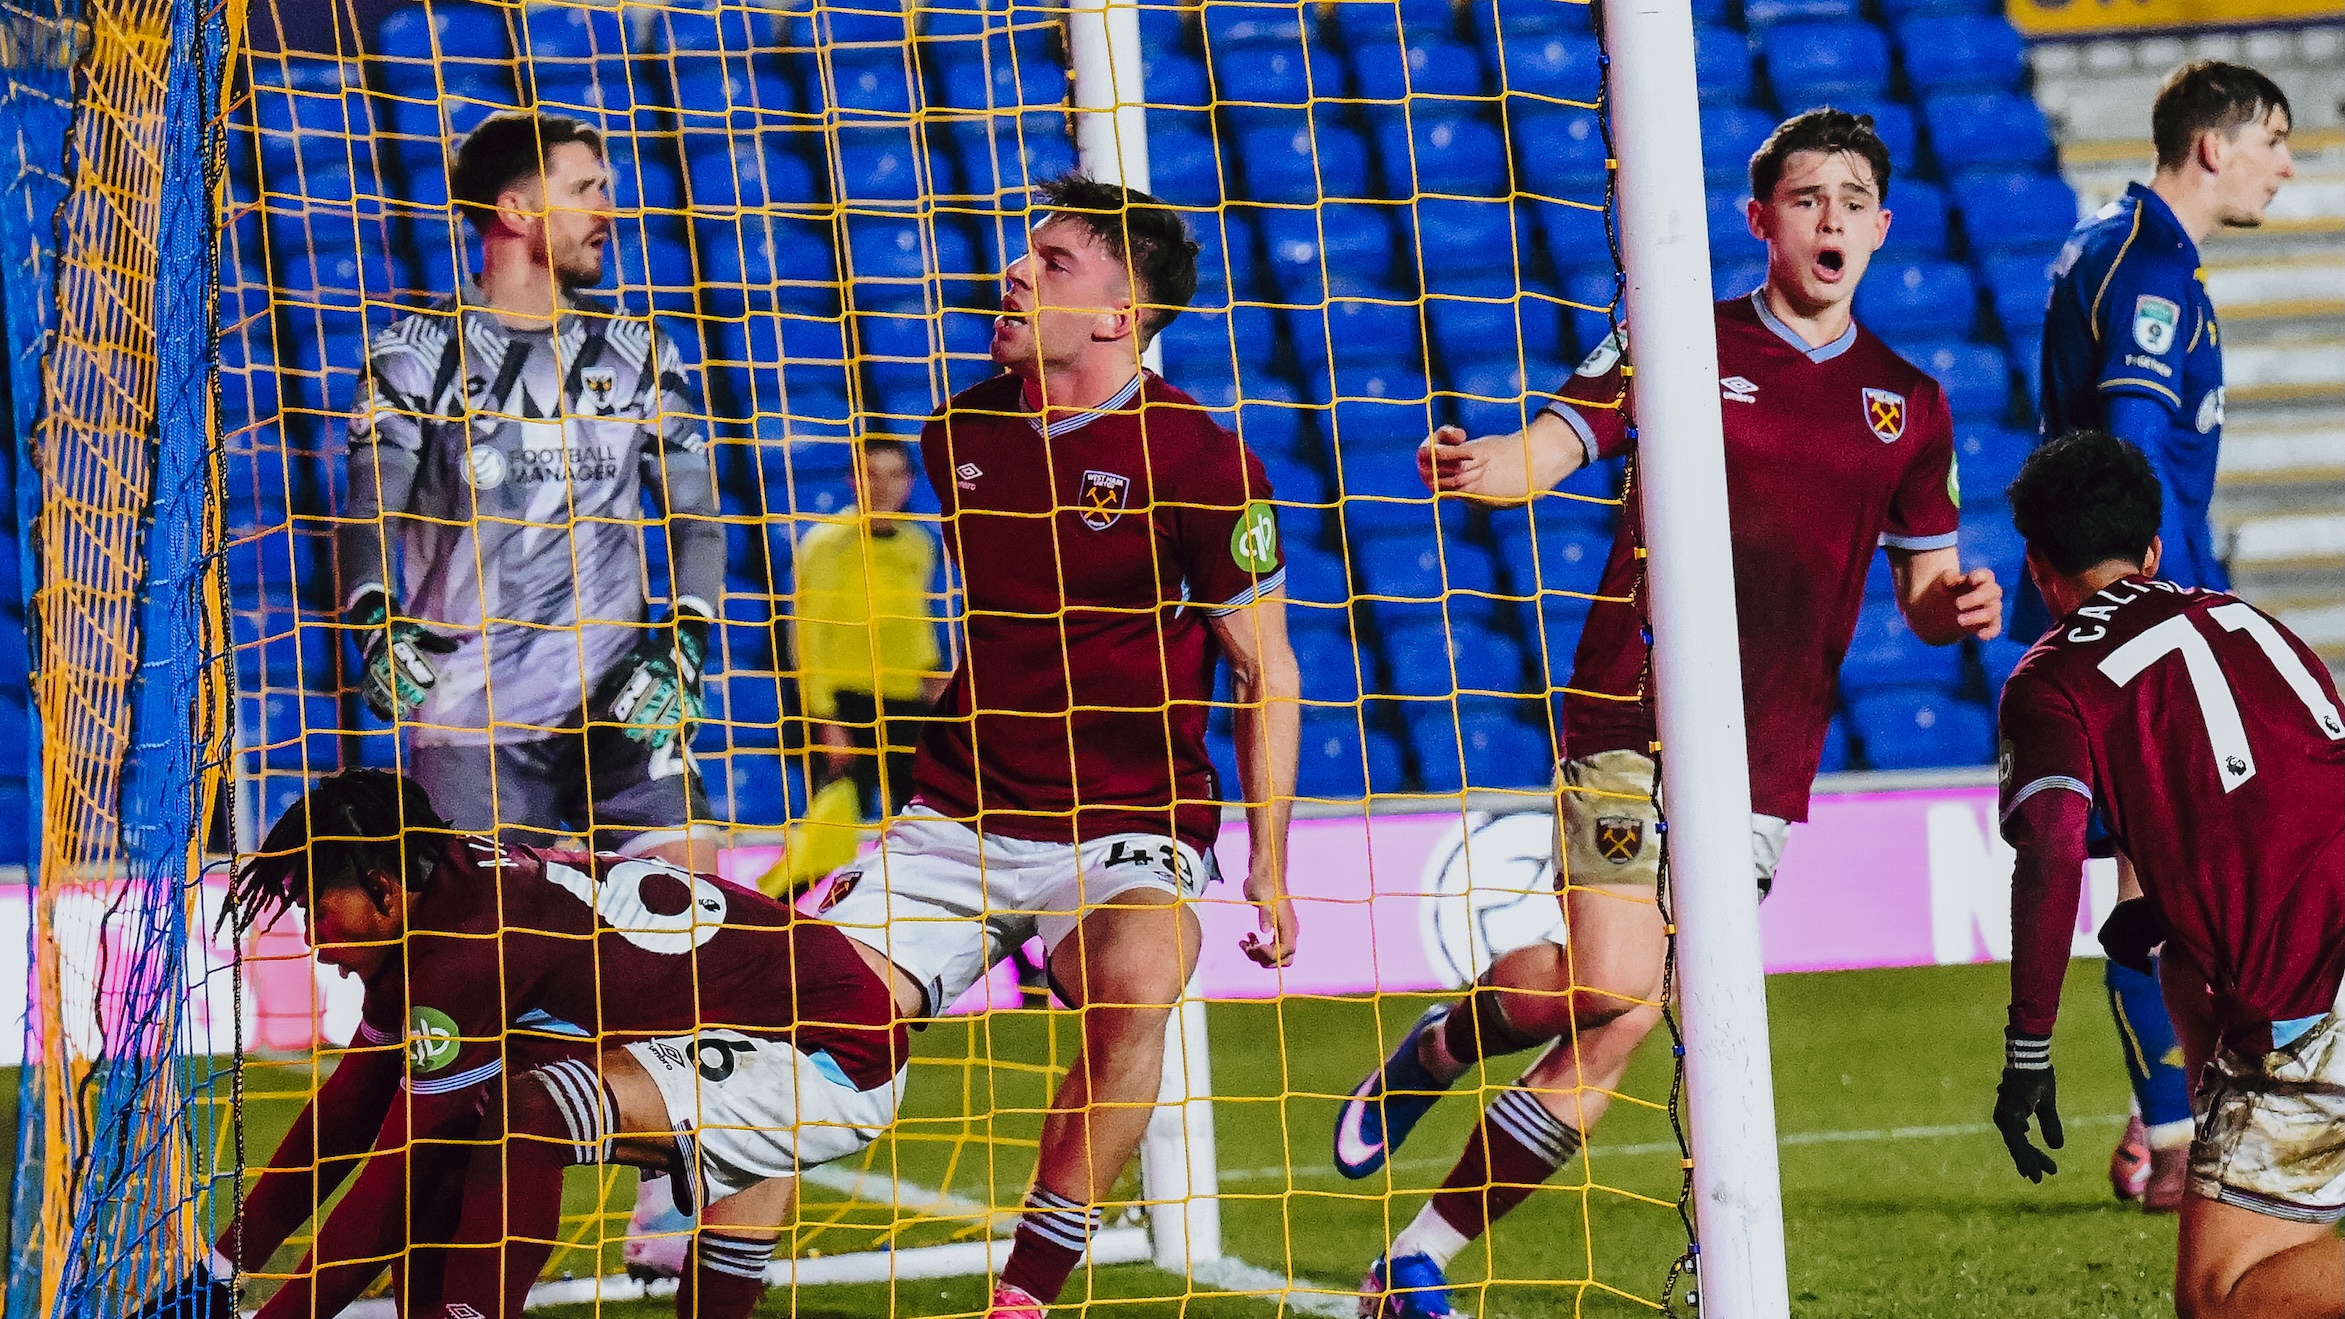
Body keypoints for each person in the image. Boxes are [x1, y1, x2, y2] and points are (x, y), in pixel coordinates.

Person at [1333, 108, 2005, 1318]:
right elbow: (1557, 437)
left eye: (1853, 199)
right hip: (1626, 712)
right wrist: (1490, 464)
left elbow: (1917, 587)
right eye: (1806, 198)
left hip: (1766, 753)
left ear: (1884, 227)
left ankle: (1414, 1249)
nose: (1831, 218)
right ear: (1759, 221)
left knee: (1618, 1015)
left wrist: (1953, 607)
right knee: (1617, 989)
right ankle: (1444, 1058)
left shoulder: (1909, 400)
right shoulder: (1678, 339)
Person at [818, 173, 1302, 1319]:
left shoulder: (1198, 461)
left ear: (1115, 315)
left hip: (1125, 825)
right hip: (953, 817)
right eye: (1022, 255)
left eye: (1050, 263)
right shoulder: (958, 433)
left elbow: (1264, 669)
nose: (1014, 274)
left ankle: (1023, 1295)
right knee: (815, 1025)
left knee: (1131, 972)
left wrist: (1269, 866)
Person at [136, 770, 906, 1319]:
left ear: (381, 887)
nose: (312, 935)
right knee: (462, 1121)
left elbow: (392, 1177)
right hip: (761, 1015)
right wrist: (219, 1268)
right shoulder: (433, 903)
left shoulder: (462, 951)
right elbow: (349, 1107)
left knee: (515, 1114)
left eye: (318, 907)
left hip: (830, 1050)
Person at [1989, 430, 2344, 1319]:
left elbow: (2052, 848)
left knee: (2224, 1298)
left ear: (2037, 569)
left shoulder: (2052, 677)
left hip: (2307, 986)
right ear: (2152, 549)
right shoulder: (2249, 620)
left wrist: (2028, 1046)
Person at [2030, 60, 2296, 1206]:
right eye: (2271, 139)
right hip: (2148, 618)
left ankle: (2165, 1130)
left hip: (2117, 611)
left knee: (2171, 879)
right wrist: (2166, 616)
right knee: (2168, 882)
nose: (2285, 163)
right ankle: (2179, 1138)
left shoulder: (2105, 244)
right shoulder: (2148, 276)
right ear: (2209, 146)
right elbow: (2128, 458)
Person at [337, 110, 724, 875]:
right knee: (498, 972)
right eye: (585, 189)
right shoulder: (412, 357)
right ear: (516, 210)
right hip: (473, 718)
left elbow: (696, 516)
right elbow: (367, 510)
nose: (608, 209)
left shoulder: (639, 349)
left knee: (693, 940)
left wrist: (684, 639)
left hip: (621, 703)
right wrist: (376, 621)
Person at [792, 436, 948, 819]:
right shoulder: (825, 543)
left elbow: (918, 621)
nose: (883, 486)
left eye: (895, 475)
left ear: (910, 482)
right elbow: (806, 635)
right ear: (852, 481)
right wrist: (825, 720)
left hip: (906, 703)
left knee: (920, 823)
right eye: (872, 475)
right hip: (846, 704)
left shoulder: (918, 544)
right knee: (835, 829)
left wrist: (932, 676)